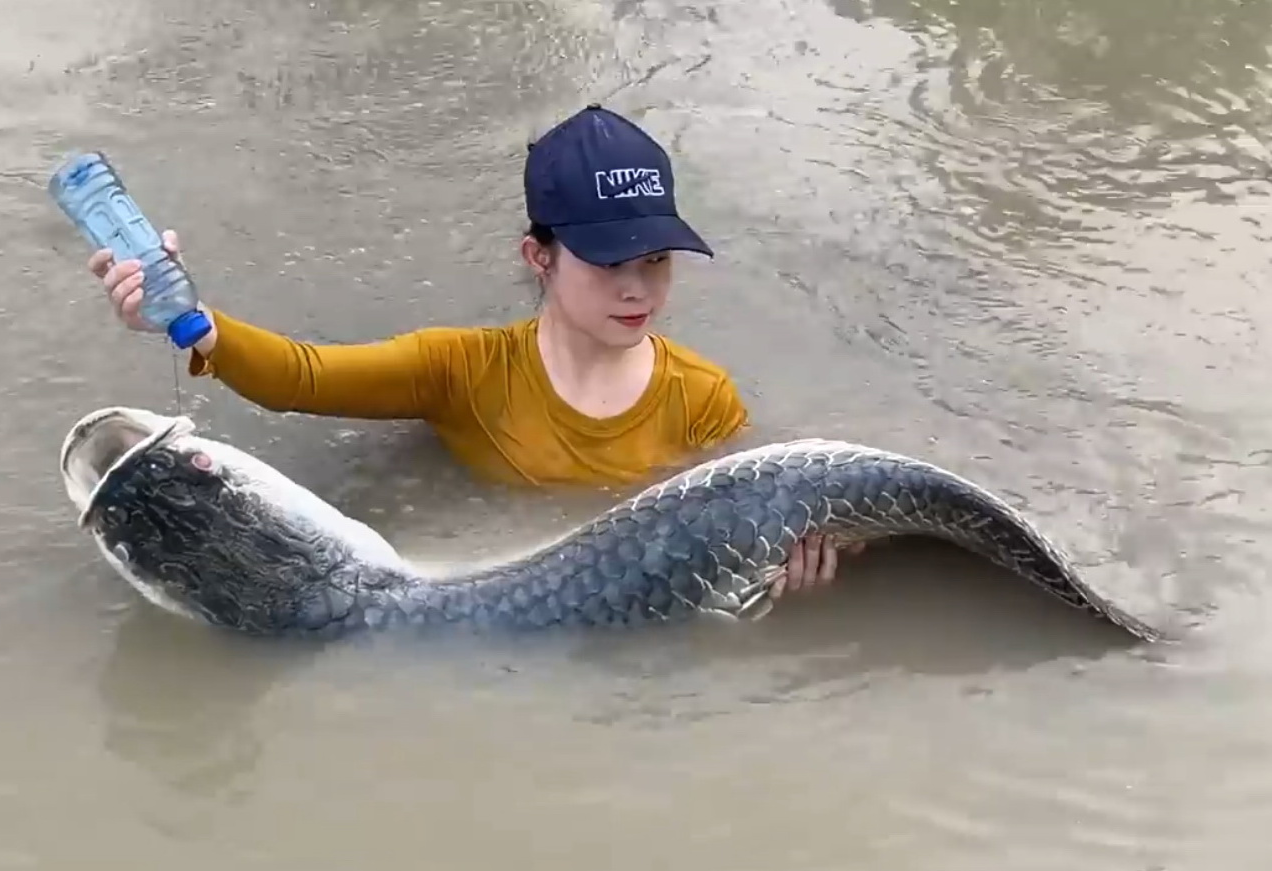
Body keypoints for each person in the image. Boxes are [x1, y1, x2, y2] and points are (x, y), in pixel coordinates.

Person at [85, 103, 861, 596]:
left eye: (655, 260)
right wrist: (185, 319)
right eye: (608, 262)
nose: (637, 289)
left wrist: (786, 581)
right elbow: (303, 377)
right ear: (538, 257)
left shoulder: (704, 396)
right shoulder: (460, 370)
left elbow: (734, 532)